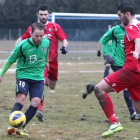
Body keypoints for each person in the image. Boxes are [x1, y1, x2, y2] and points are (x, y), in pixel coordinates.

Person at [83, 2, 140, 138]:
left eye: (119, 15)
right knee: (138, 109)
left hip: (130, 70)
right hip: (137, 72)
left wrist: (137, 52)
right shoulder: (138, 25)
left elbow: (138, 40)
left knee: (98, 89)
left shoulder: (131, 26)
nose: (119, 19)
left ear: (126, 14)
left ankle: (114, 123)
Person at [15, 4, 68, 122]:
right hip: (40, 62)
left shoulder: (54, 26)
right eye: (41, 14)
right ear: (37, 15)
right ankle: (40, 110)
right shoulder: (32, 28)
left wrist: (65, 47)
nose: (43, 16)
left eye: (45, 14)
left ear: (48, 15)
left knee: (52, 85)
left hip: (53, 62)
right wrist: (16, 48)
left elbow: (64, 39)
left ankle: (40, 87)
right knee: (42, 81)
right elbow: (21, 39)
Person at [0, 22, 50, 136]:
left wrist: (46, 61)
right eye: (36, 35)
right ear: (31, 33)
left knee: (36, 102)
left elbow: (46, 51)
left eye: (41, 36)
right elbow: (10, 61)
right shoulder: (22, 46)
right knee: (21, 99)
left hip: (38, 77)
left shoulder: (46, 42)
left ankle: (21, 128)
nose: (39, 38)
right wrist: (1, 73)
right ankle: (12, 126)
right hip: (23, 75)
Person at [97, 23, 140, 120]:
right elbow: (103, 41)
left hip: (131, 63)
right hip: (118, 62)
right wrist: (106, 54)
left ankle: (92, 87)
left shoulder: (135, 30)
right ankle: (131, 113)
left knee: (129, 88)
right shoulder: (115, 30)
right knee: (126, 87)